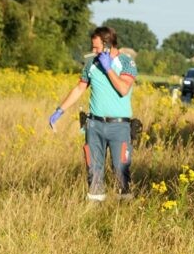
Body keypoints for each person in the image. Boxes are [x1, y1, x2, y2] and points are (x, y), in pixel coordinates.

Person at [48, 26, 138, 201]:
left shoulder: (127, 62)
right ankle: (94, 209)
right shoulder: (91, 63)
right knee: (93, 169)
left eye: (96, 47)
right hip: (94, 125)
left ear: (107, 44)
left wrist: (109, 69)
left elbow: (123, 89)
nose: (93, 50)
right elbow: (80, 88)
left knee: (121, 169)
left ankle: (125, 210)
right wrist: (60, 110)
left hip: (119, 126)